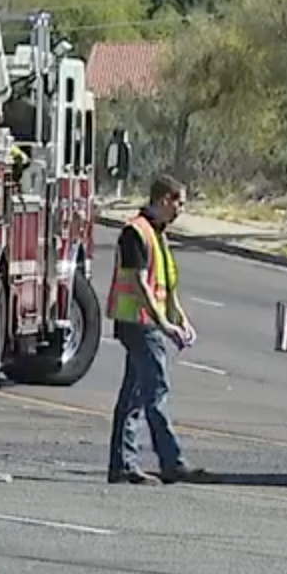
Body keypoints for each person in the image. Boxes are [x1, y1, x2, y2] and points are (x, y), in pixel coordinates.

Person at [106, 174, 213, 485]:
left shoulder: (157, 233)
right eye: (179, 202)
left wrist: (179, 318)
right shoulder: (135, 232)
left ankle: (123, 465)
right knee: (156, 392)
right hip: (138, 323)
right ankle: (171, 462)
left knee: (134, 396)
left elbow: (165, 283)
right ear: (164, 200)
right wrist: (165, 324)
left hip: (147, 322)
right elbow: (140, 284)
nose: (181, 209)